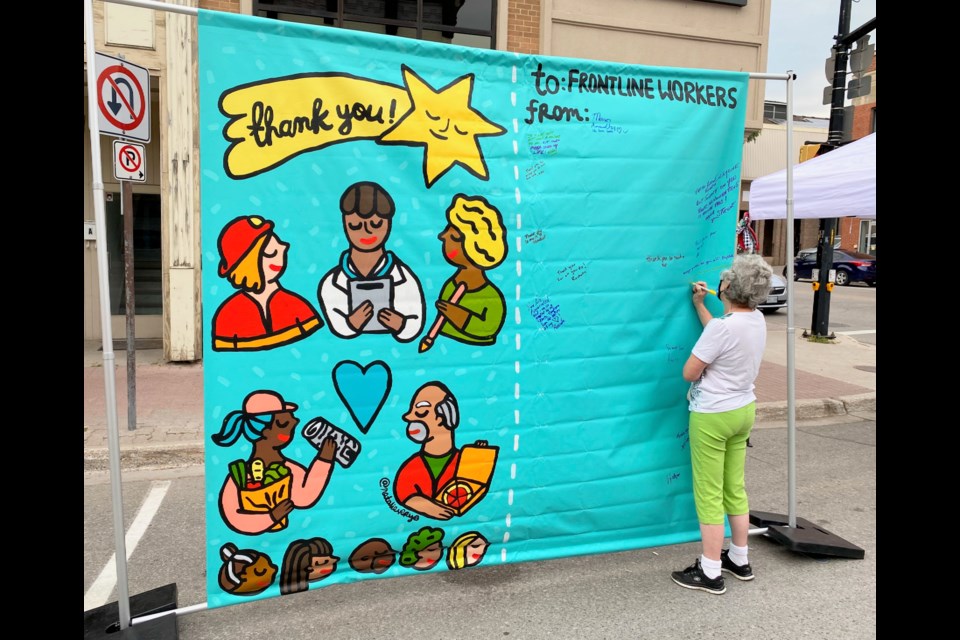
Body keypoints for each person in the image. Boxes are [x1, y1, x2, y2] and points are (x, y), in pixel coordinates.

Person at [671, 254, 771, 595]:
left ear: (728, 287)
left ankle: (710, 570)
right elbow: (721, 333)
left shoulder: (722, 328)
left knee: (709, 493)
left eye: (725, 279)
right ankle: (739, 559)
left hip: (713, 415)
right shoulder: (756, 319)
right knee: (734, 487)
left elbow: (689, 372)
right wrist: (702, 305)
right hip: (743, 410)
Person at [212, 389, 338, 535]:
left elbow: (304, 497)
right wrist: (271, 517)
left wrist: (324, 460)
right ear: (265, 431)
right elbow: (234, 516)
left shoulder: (289, 469)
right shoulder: (239, 475)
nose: (294, 423)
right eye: (284, 423)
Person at [318, 181, 425, 342]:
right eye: (355, 225)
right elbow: (337, 322)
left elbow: (416, 319)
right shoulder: (332, 282)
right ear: (345, 225)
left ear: (388, 223)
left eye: (376, 224)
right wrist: (350, 324)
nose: (366, 231)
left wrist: (401, 324)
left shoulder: (402, 276)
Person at [212, 215, 323, 351]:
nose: (280, 256)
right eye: (271, 253)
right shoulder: (228, 314)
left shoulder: (297, 306)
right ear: (247, 262)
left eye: (280, 249)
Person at [426, 194, 507, 349]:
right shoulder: (451, 285)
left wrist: (461, 317)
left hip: (480, 354)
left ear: (476, 246)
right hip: (444, 349)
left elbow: (490, 328)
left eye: (454, 237)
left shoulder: (492, 296)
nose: (443, 237)